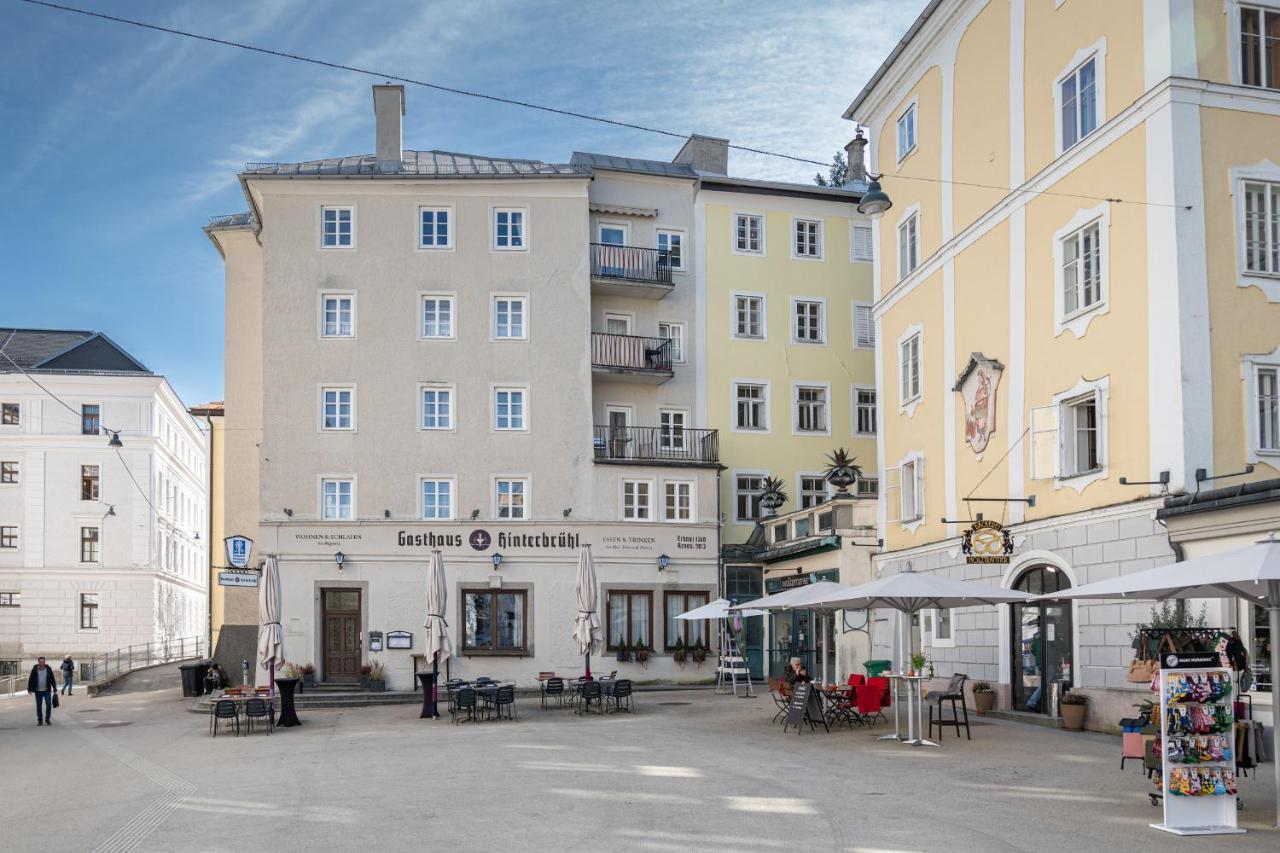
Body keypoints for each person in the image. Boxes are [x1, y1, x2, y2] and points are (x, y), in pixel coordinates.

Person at [27, 656, 57, 726]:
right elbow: (31, 679)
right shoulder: (35, 669)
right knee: (38, 706)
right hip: (38, 691)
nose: (42, 663)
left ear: (45, 662)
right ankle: (40, 720)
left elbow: (52, 679)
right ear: (38, 662)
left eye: (43, 662)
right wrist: (29, 689)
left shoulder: (48, 669)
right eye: (41, 662)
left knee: (49, 704)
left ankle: (47, 719)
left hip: (47, 690)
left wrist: (55, 688)